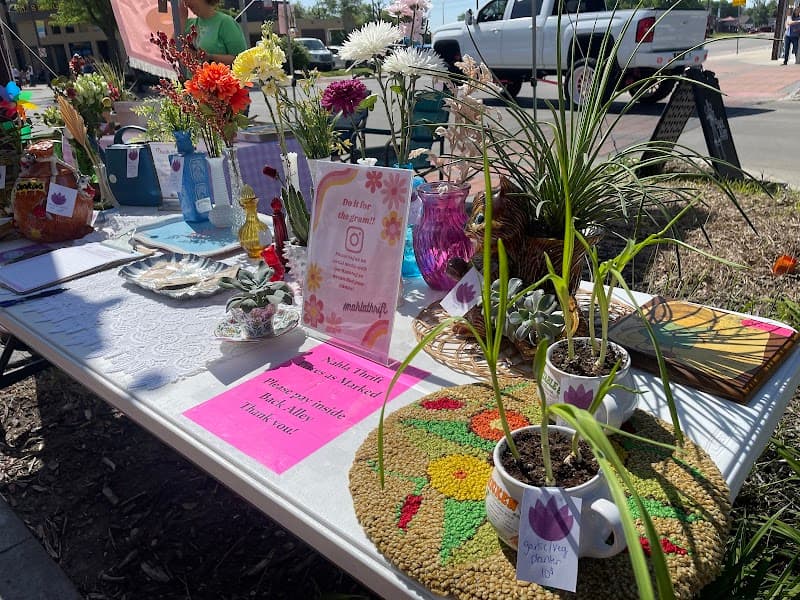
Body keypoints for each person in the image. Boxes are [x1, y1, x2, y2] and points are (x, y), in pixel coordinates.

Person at [179, 0, 247, 66]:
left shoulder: (225, 22)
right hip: (194, 77)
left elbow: (241, 59)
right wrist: (182, 19)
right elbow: (173, 49)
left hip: (219, 76)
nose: (186, 3)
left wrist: (210, 57)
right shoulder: (189, 24)